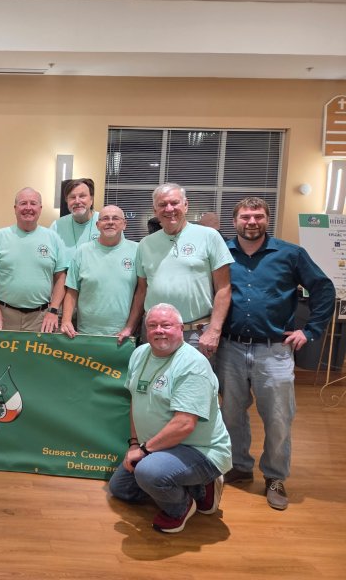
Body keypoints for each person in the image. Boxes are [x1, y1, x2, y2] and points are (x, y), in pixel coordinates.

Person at [217, 197, 335, 510]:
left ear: (267, 220)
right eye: (245, 216)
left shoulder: (290, 253)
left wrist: (309, 331)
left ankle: (275, 476)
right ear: (235, 220)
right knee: (231, 414)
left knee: (279, 418)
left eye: (258, 216)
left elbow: (324, 289)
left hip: (275, 352)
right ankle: (239, 466)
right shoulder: (221, 252)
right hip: (230, 347)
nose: (251, 221)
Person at [108, 303, 232, 534]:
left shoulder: (193, 365)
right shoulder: (139, 353)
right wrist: (135, 444)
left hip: (198, 449)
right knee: (121, 489)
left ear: (181, 328)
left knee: (148, 472)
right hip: (159, 448)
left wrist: (144, 452)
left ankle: (182, 507)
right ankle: (197, 488)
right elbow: (136, 400)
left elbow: (185, 424)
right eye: (152, 325)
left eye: (166, 325)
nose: (159, 330)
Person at [119, 183, 233, 357]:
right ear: (155, 209)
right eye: (162, 205)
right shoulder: (145, 244)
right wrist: (129, 327)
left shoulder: (209, 236)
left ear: (185, 205)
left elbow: (224, 288)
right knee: (154, 383)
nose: (169, 209)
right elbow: (142, 291)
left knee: (194, 383)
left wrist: (214, 330)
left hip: (196, 334)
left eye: (174, 203)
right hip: (154, 333)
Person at [0, 187, 68, 333]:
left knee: (39, 356)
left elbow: (61, 277)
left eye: (33, 203)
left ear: (40, 208)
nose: (28, 208)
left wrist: (53, 311)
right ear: (15, 208)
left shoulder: (53, 238)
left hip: (42, 318)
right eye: (23, 203)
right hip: (3, 316)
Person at [60, 205, 138, 337]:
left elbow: (141, 292)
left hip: (123, 334)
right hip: (85, 332)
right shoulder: (82, 252)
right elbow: (72, 290)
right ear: (97, 225)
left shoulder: (137, 251)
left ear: (124, 224)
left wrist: (130, 327)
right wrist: (66, 320)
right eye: (105, 218)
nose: (110, 222)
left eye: (116, 218)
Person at [50, 178, 99, 256]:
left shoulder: (106, 222)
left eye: (82, 196)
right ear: (67, 201)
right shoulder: (57, 226)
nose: (77, 201)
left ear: (91, 199)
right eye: (72, 197)